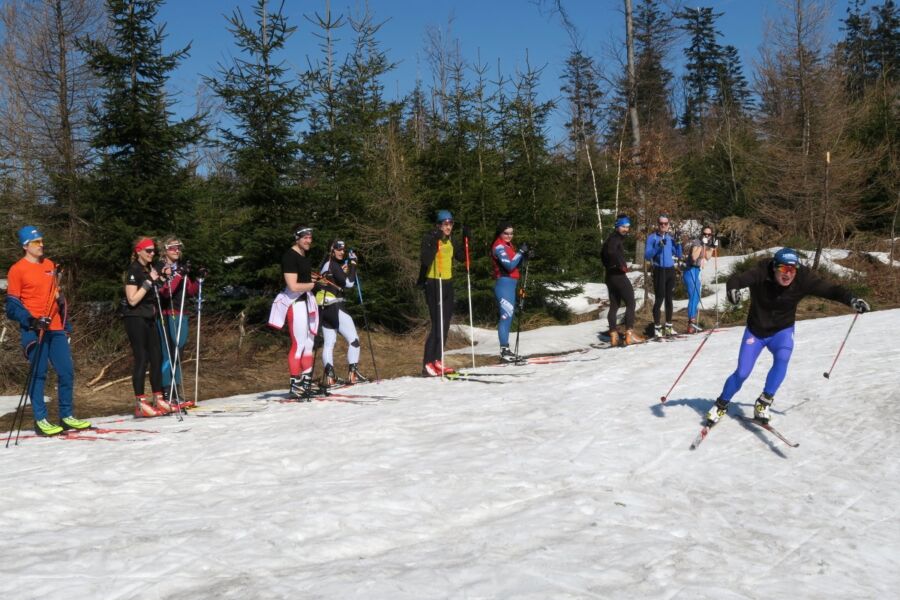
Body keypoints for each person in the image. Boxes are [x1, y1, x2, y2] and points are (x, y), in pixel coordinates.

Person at [705, 248, 871, 426]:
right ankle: (721, 404)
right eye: (784, 269)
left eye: (792, 269)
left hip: (782, 331)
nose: (788, 274)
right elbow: (736, 279)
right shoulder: (762, 272)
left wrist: (852, 299)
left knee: (782, 358)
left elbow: (831, 290)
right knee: (742, 372)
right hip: (756, 331)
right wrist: (733, 291)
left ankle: (763, 402)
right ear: (775, 267)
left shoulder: (803, 278)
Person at [5, 226, 91, 435]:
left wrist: (65, 322)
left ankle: (67, 416)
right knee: (39, 374)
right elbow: (11, 306)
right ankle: (41, 420)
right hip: (34, 329)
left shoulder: (50, 265)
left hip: (55, 327)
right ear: (26, 245)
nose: (41, 245)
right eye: (36, 242)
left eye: (42, 241)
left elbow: (57, 297)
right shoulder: (17, 269)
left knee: (66, 372)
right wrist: (32, 321)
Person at [268, 226, 321, 399]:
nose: (309, 241)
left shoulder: (304, 255)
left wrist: (316, 279)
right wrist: (315, 286)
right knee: (298, 344)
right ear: (297, 238)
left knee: (308, 344)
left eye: (310, 237)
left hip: (306, 303)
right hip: (295, 303)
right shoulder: (289, 257)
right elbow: (293, 286)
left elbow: (303, 278)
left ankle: (306, 382)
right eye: (305, 237)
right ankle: (295, 383)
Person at [123, 237, 172, 417]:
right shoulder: (133, 270)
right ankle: (140, 402)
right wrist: (149, 281)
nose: (152, 254)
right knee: (142, 358)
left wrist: (162, 277)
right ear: (138, 251)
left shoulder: (148, 268)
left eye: (153, 251)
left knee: (157, 357)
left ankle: (158, 398)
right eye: (148, 251)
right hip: (134, 317)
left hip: (149, 317)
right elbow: (132, 299)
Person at [417, 209, 468, 376]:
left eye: (451, 223)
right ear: (438, 225)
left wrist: (466, 239)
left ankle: (438, 360)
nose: (448, 226)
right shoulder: (430, 237)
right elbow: (425, 259)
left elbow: (461, 257)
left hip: (447, 282)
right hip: (433, 282)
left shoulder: (450, 239)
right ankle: (427, 364)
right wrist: (435, 240)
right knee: (437, 324)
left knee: (445, 325)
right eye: (445, 224)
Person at [316, 239, 368, 386]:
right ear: (331, 250)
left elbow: (336, 280)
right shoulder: (333, 264)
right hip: (334, 306)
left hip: (323, 309)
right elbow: (350, 283)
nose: (341, 252)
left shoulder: (326, 265)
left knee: (329, 343)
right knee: (354, 341)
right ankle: (353, 375)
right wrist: (353, 264)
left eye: (343, 250)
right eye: (338, 249)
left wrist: (345, 270)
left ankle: (330, 376)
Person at [157, 235, 199, 406]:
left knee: (179, 353)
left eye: (179, 247)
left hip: (182, 312)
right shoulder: (160, 267)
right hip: (168, 313)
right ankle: (167, 391)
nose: (177, 250)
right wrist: (178, 275)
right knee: (169, 352)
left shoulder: (180, 268)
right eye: (173, 247)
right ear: (165, 250)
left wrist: (198, 280)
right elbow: (166, 291)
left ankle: (176, 389)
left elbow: (189, 291)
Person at [601, 215, 643, 346]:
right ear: (617, 226)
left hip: (610, 277)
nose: (626, 229)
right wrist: (621, 265)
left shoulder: (610, 238)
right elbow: (611, 252)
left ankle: (614, 335)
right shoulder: (615, 239)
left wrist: (609, 266)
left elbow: (602, 254)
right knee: (631, 302)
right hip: (618, 276)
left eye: (627, 227)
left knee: (614, 305)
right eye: (623, 226)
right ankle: (629, 334)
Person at [490, 221, 529, 362]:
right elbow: (509, 265)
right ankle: (504, 351)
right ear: (500, 233)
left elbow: (515, 262)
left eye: (511, 233)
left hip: (510, 285)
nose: (509, 236)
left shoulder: (508, 245)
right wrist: (520, 253)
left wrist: (524, 256)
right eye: (506, 233)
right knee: (505, 316)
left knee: (509, 316)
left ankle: (506, 350)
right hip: (504, 284)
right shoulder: (499, 246)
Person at [644, 213, 682, 338]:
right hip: (659, 270)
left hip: (670, 270)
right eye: (661, 223)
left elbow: (679, 254)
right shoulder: (652, 238)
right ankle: (657, 328)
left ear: (668, 225)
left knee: (669, 300)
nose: (663, 225)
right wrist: (658, 247)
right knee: (659, 299)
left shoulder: (670, 238)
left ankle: (669, 327)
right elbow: (647, 255)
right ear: (658, 224)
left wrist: (679, 243)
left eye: (665, 223)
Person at [682, 225, 717, 334]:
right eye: (705, 234)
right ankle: (691, 322)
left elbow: (707, 257)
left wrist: (712, 247)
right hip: (690, 270)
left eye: (709, 234)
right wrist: (703, 244)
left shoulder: (706, 243)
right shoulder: (696, 242)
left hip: (697, 271)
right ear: (701, 234)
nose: (707, 236)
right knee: (693, 295)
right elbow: (694, 256)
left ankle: (692, 322)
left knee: (697, 297)